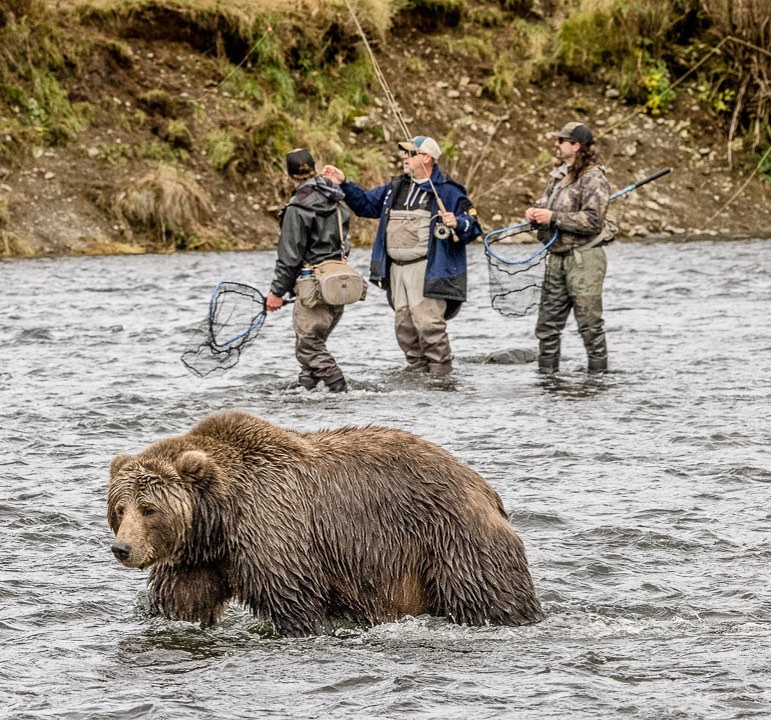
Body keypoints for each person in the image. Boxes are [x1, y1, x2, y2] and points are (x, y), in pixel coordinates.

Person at [322, 135, 481, 376]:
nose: (404, 158)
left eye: (410, 153)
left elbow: (474, 226)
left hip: (428, 269)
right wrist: (344, 182)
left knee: (429, 326)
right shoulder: (395, 188)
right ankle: (418, 375)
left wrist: (457, 222)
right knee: (404, 327)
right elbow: (365, 205)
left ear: (427, 158)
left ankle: (441, 378)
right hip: (396, 269)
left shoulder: (449, 191)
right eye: (405, 153)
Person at [524, 122, 612, 375]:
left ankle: (598, 380)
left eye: (561, 141)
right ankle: (547, 380)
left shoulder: (594, 178)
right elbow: (545, 204)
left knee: (589, 325)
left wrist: (553, 217)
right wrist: (535, 212)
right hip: (556, 257)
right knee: (547, 326)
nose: (556, 144)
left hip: (585, 258)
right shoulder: (558, 176)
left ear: (576, 146)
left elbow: (593, 221)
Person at [266, 148, 351, 393]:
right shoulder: (337, 198)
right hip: (337, 282)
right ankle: (305, 393)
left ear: (288, 175)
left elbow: (289, 256)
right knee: (314, 344)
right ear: (314, 168)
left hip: (312, 286)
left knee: (308, 347)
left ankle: (340, 390)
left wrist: (276, 292)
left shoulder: (297, 207)